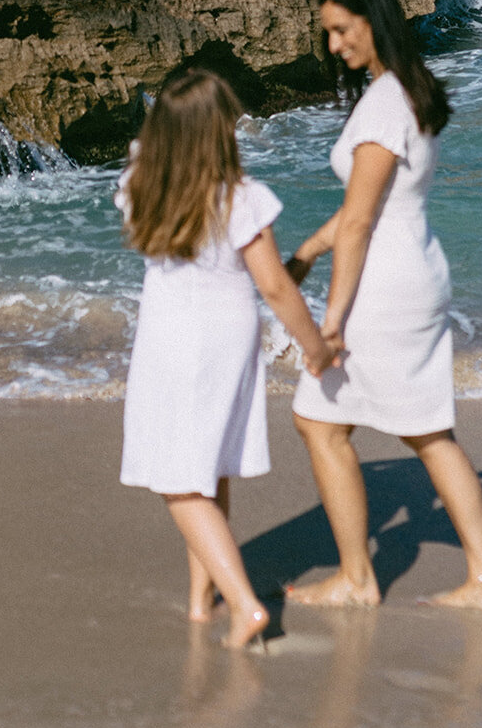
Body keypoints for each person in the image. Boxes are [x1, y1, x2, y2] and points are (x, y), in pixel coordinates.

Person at [284, 0, 482, 613]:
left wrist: (330, 322)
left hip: (382, 288)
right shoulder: (406, 90)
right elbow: (372, 208)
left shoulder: (383, 104)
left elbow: (359, 221)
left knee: (324, 421)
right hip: (409, 269)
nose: (332, 46)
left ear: (371, 20)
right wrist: (304, 253)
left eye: (339, 30)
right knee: (419, 431)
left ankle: (360, 577)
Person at [118, 69, 335, 649]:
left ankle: (244, 606)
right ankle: (201, 600)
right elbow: (276, 288)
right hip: (225, 336)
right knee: (205, 466)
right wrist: (313, 344)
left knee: (177, 479)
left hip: (169, 337)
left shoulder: (142, 183)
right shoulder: (238, 197)